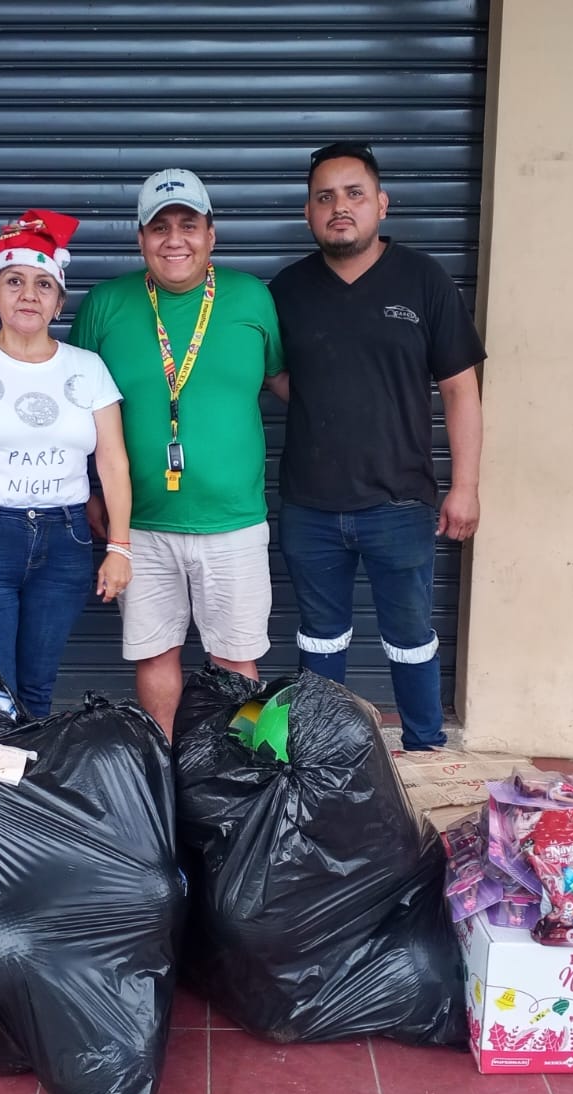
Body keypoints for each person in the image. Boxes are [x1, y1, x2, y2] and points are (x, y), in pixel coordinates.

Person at [268, 141, 485, 751]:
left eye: (354, 193)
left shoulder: (424, 280)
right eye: (325, 197)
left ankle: (424, 748)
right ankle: (322, 756)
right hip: (311, 504)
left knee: (411, 634)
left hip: (400, 502)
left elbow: (461, 390)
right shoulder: (287, 290)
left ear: (381, 204)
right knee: (319, 636)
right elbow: (276, 375)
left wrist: (465, 486)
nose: (340, 207)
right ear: (309, 213)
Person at [70, 169, 285, 737]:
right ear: (140, 238)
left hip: (234, 520)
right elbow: (74, 405)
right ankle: (165, 764)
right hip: (139, 524)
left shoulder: (252, 298)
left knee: (237, 659)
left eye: (188, 225)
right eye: (159, 227)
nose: (174, 240)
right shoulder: (106, 304)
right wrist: (89, 492)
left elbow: (284, 379)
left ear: (211, 234)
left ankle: (240, 767)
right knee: (154, 653)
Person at [0, 210, 132, 717]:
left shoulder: (87, 368)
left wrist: (120, 546)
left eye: (43, 284)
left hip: (65, 541)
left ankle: (26, 771)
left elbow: (112, 462)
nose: (28, 295)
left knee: (37, 690)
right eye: (13, 281)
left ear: (59, 301)